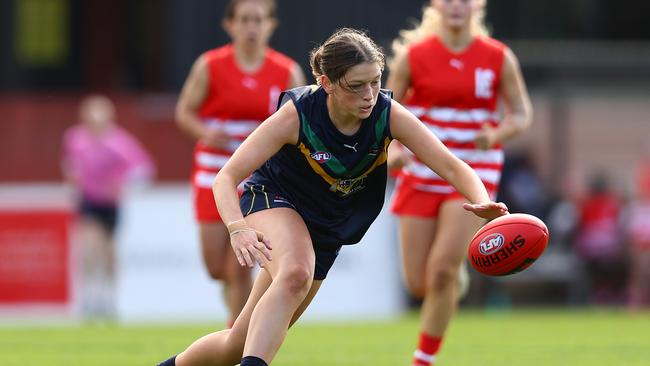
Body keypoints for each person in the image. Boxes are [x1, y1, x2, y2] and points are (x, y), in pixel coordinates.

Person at [157, 27, 508, 366]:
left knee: (234, 344)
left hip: (325, 226)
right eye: (356, 86)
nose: (370, 95)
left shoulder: (386, 114)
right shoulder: (297, 114)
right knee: (296, 272)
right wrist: (237, 227)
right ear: (326, 83)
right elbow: (226, 177)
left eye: (376, 82)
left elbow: (450, 164)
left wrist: (482, 200)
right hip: (273, 199)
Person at [385, 1, 532, 364]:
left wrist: (498, 133)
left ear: (477, 6)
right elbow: (383, 113)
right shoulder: (413, 57)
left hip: (473, 172)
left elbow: (522, 113)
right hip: (420, 174)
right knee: (418, 283)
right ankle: (455, 279)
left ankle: (423, 359)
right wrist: (393, 151)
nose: (455, 6)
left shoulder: (498, 57)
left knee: (441, 271)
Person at [175, 0, 305, 326]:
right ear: (230, 25)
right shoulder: (210, 65)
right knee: (216, 267)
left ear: (271, 25)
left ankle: (235, 339)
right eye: (245, 20)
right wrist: (205, 131)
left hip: (258, 178)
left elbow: (301, 122)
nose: (252, 27)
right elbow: (183, 112)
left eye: (259, 20)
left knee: (241, 263)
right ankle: (232, 292)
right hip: (213, 172)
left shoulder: (287, 71)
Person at [61, 95, 155, 320]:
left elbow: (144, 169)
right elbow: (70, 165)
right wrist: (74, 181)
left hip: (111, 205)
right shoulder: (75, 139)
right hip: (89, 201)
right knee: (89, 248)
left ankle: (108, 298)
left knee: (109, 252)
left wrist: (122, 187)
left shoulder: (119, 143)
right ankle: (89, 298)